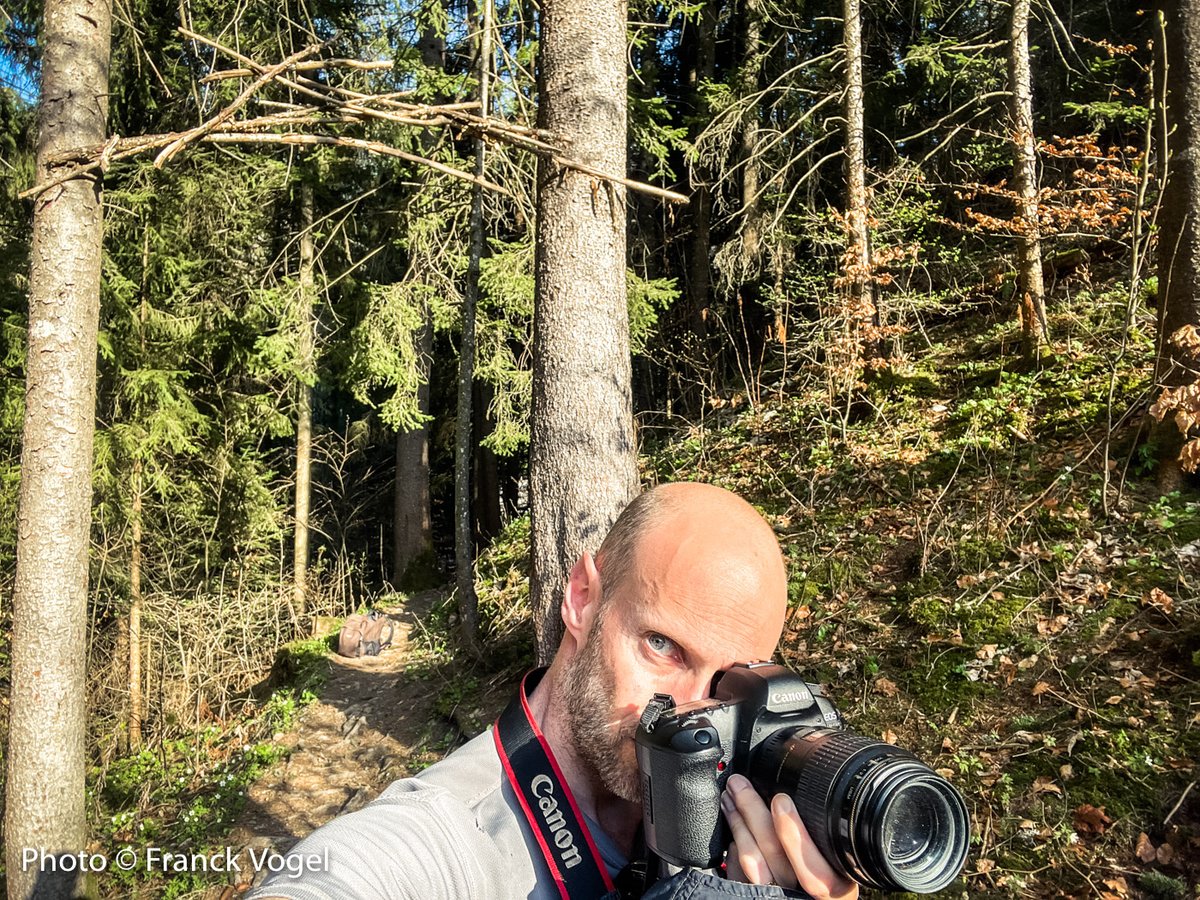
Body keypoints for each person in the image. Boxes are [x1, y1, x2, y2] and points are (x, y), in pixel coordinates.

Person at [249, 483, 857, 900]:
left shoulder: (746, 844)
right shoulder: (448, 840)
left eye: (728, 684)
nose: (693, 715)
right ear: (582, 599)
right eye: (663, 646)